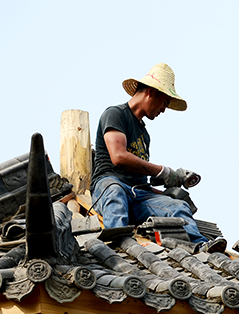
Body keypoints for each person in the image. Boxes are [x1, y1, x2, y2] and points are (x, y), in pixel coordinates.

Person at [90, 63, 225, 252]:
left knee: (177, 207)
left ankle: (200, 245)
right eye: (165, 102)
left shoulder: (144, 135)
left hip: (138, 194)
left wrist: (165, 192)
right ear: (151, 92)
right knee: (115, 193)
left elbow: (139, 180)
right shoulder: (115, 114)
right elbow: (118, 157)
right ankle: (118, 246)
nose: (164, 109)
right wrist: (163, 171)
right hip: (109, 184)